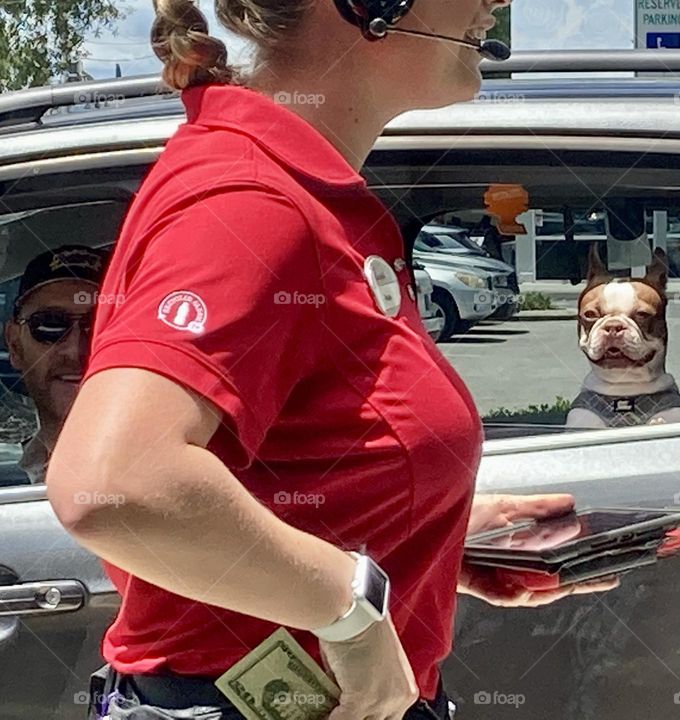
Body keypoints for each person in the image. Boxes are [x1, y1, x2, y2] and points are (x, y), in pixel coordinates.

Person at [44, 2, 614, 720]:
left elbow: (273, 467)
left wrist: (416, 538)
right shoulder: (255, 200)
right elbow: (116, 484)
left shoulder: (291, 189)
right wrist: (349, 608)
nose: (497, 2)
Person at [3, 245, 105, 484]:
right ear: (15, 345)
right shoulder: (13, 478)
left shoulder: (166, 473)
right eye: (49, 324)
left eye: (99, 325)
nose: (75, 349)